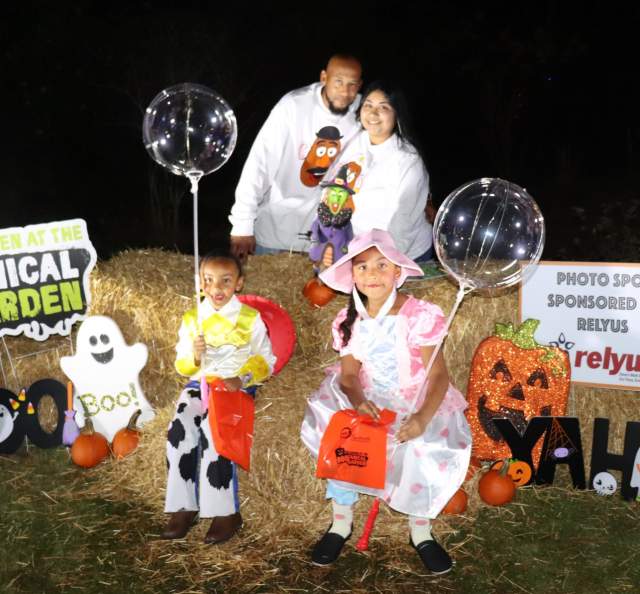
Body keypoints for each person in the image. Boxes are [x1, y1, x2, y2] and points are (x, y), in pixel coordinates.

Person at [300, 229, 471, 573]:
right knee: (342, 434)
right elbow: (349, 377)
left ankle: (420, 530)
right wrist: (359, 401)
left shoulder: (419, 315)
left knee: (422, 444)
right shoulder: (349, 321)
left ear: (397, 273)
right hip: (369, 393)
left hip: (416, 395)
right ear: (352, 276)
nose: (372, 274)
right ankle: (341, 522)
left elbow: (438, 376)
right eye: (362, 267)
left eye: (382, 265)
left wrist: (422, 417)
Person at [162, 251, 276, 543]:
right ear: (201, 283)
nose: (217, 289)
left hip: (233, 386)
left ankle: (225, 511)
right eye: (209, 281)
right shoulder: (192, 319)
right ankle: (184, 505)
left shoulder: (251, 319)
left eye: (225, 281)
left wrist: (243, 378)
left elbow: (266, 360)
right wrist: (195, 357)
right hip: (199, 384)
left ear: (239, 283)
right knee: (180, 428)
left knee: (216, 433)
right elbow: (181, 365)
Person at [229, 55, 363, 261]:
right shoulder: (293, 106)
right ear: (324, 78)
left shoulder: (364, 112)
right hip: (276, 233)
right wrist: (242, 223)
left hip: (325, 239)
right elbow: (260, 164)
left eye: (352, 85)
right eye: (338, 82)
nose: (345, 92)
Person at [319, 81, 433, 261]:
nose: (373, 113)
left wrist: (382, 262)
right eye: (368, 105)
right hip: (356, 249)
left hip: (401, 253)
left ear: (397, 114)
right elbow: (332, 190)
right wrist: (330, 240)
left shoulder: (407, 161)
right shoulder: (353, 143)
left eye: (384, 107)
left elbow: (403, 223)